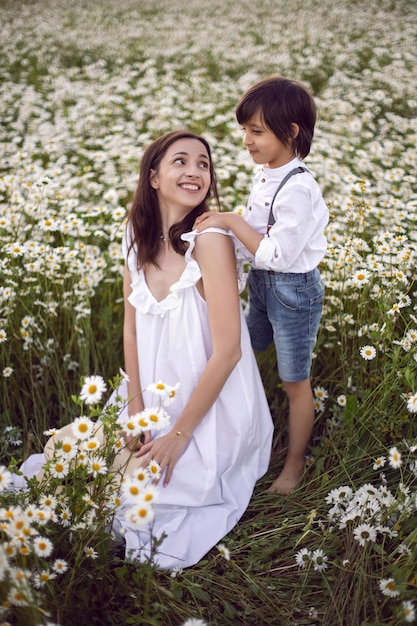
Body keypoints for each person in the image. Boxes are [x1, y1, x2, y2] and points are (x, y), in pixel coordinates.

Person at [16, 130, 274, 569]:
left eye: (204, 164)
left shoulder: (209, 242)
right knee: (88, 469)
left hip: (212, 405)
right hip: (151, 395)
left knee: (157, 501)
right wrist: (136, 410)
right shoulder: (134, 239)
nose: (195, 171)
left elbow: (228, 351)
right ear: (153, 175)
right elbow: (131, 332)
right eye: (181, 161)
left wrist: (178, 435)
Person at [194, 77, 329, 495]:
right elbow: (254, 239)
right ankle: (240, 436)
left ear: (290, 132)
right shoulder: (268, 173)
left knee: (294, 382)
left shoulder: (299, 188)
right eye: (244, 131)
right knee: (234, 354)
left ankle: (294, 463)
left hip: (293, 294)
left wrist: (231, 222)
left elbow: (274, 254)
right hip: (263, 287)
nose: (246, 142)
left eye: (256, 132)